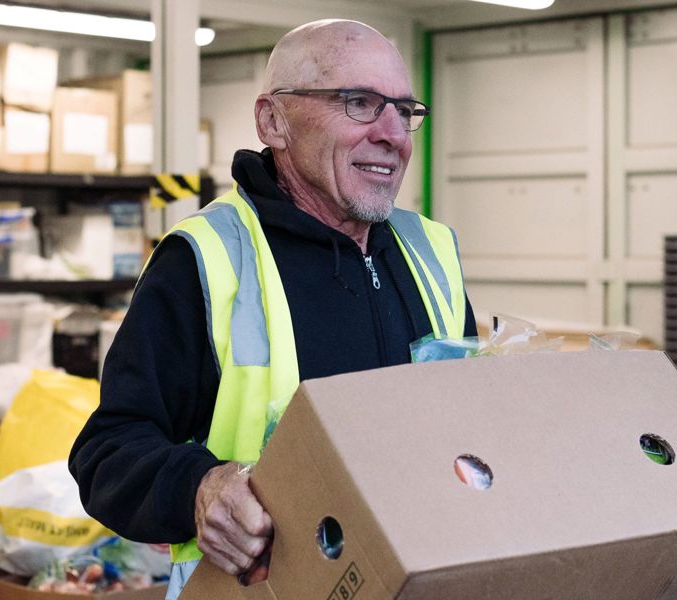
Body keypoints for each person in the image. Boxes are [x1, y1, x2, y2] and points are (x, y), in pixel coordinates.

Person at [68, 19, 476, 598]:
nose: (394, 133)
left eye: (404, 109)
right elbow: (107, 451)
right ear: (272, 121)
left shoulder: (431, 251)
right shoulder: (205, 259)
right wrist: (201, 487)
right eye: (358, 103)